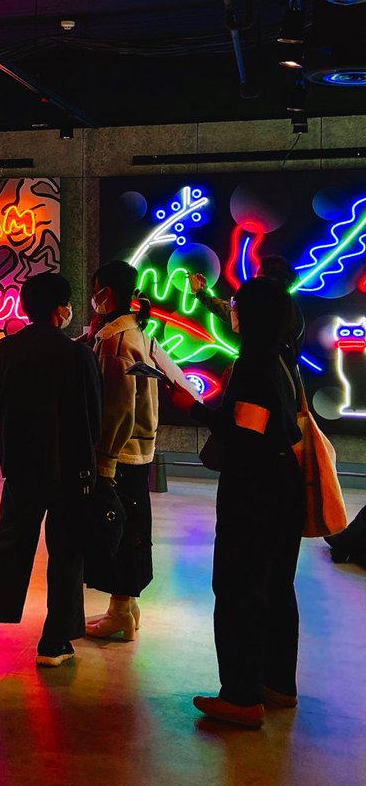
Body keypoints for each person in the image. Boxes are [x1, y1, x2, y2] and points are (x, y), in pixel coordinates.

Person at [168, 277, 304, 728]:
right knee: (277, 583)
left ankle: (241, 696)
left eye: (236, 305)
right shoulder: (283, 356)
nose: (231, 312)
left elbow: (245, 435)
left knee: (237, 586)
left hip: (254, 488)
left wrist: (192, 407)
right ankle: (278, 683)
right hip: (283, 482)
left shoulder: (254, 363)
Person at [0, 273, 102, 667]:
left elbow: (1, 402)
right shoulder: (79, 356)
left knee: (8, 542)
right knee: (66, 552)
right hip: (69, 469)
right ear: (61, 309)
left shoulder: (7, 349)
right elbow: (93, 420)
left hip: (21, 465)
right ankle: (54, 641)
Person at [84, 260, 160, 641]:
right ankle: (126, 607)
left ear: (106, 292)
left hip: (120, 454)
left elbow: (117, 408)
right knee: (133, 529)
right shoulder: (136, 331)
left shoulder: (115, 341)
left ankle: (119, 613)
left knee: (118, 531)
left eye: (95, 289)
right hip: (139, 450)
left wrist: (105, 461)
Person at [188, 255, 304, 349]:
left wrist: (201, 293)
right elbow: (234, 311)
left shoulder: (263, 296)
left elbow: (234, 315)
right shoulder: (292, 308)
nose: (256, 278)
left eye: (259, 275)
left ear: (265, 274)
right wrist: (203, 291)